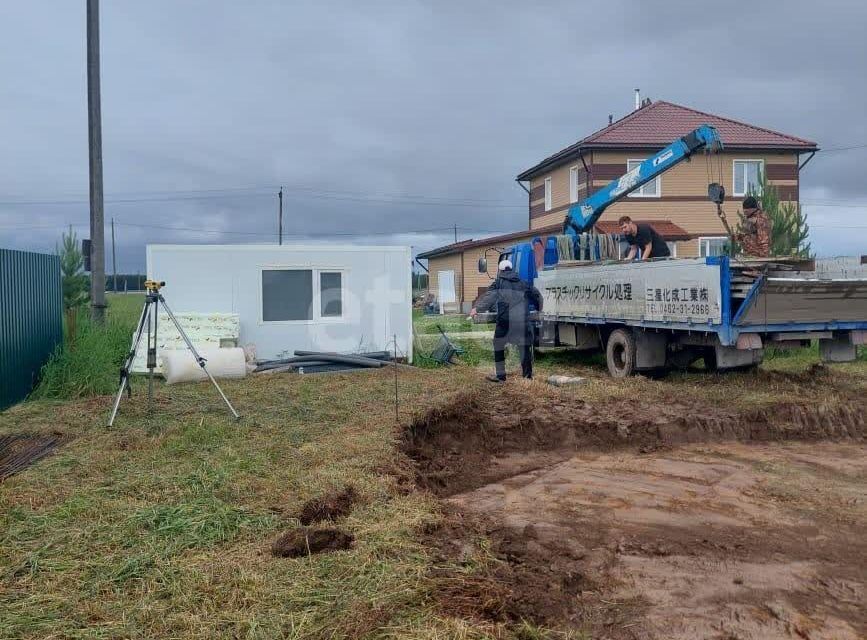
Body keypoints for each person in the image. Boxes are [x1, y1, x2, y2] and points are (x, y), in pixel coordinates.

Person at [470, 259, 543, 382]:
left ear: (500, 270)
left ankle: (501, 377)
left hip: (505, 321)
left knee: (498, 345)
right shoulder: (523, 283)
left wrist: (477, 308)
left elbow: (489, 297)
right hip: (522, 321)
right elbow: (537, 295)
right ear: (511, 269)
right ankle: (527, 377)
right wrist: (538, 307)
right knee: (524, 348)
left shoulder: (498, 283)